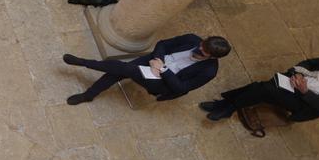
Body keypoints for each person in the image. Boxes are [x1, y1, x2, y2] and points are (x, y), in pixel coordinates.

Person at [200, 53, 319, 122]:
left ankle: (227, 105)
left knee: (264, 88)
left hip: (306, 102)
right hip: (298, 80)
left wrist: (305, 91)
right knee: (263, 87)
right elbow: (310, 62)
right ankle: (228, 106)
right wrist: (298, 73)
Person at [62, 34, 231, 106]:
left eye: (202, 51)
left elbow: (181, 88)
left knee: (125, 69)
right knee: (122, 70)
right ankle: (89, 94)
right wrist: (158, 60)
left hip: (163, 83)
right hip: (154, 61)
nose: (198, 48)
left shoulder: (209, 71)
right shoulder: (192, 39)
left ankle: (86, 64)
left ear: (212, 57)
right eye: (200, 45)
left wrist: (163, 70)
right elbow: (163, 44)